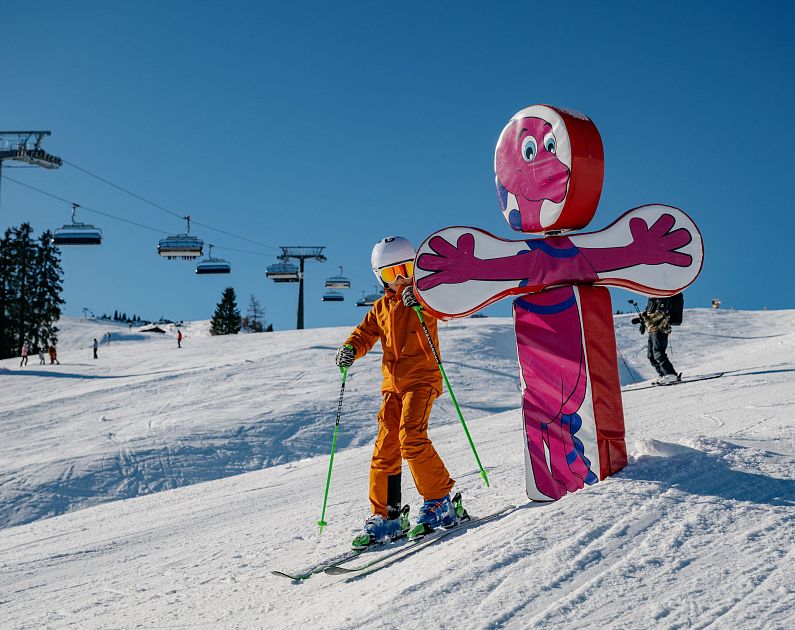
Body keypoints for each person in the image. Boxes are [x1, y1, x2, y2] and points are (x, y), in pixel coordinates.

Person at [335, 236, 459, 550]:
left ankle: (438, 500)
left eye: (406, 268)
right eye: (392, 274)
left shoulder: (424, 295)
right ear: (381, 278)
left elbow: (444, 310)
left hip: (422, 379)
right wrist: (351, 348)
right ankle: (387, 515)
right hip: (393, 387)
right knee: (385, 447)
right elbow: (364, 334)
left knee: (411, 437)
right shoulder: (380, 308)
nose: (401, 278)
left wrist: (422, 302)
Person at [633, 295, 680, 384]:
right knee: (651, 355)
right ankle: (663, 374)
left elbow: (660, 314)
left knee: (658, 352)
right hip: (651, 330)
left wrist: (646, 319)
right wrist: (641, 320)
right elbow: (647, 314)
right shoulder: (651, 300)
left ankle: (671, 374)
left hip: (660, 329)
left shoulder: (662, 297)